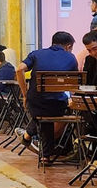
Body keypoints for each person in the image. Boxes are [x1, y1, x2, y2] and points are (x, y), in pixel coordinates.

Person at [15, 31, 78, 162]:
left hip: (36, 103)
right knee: (54, 109)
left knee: (42, 114)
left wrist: (25, 94)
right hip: (58, 105)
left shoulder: (36, 54)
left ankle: (30, 139)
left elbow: (19, 69)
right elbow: (74, 83)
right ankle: (44, 154)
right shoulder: (70, 58)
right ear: (68, 46)